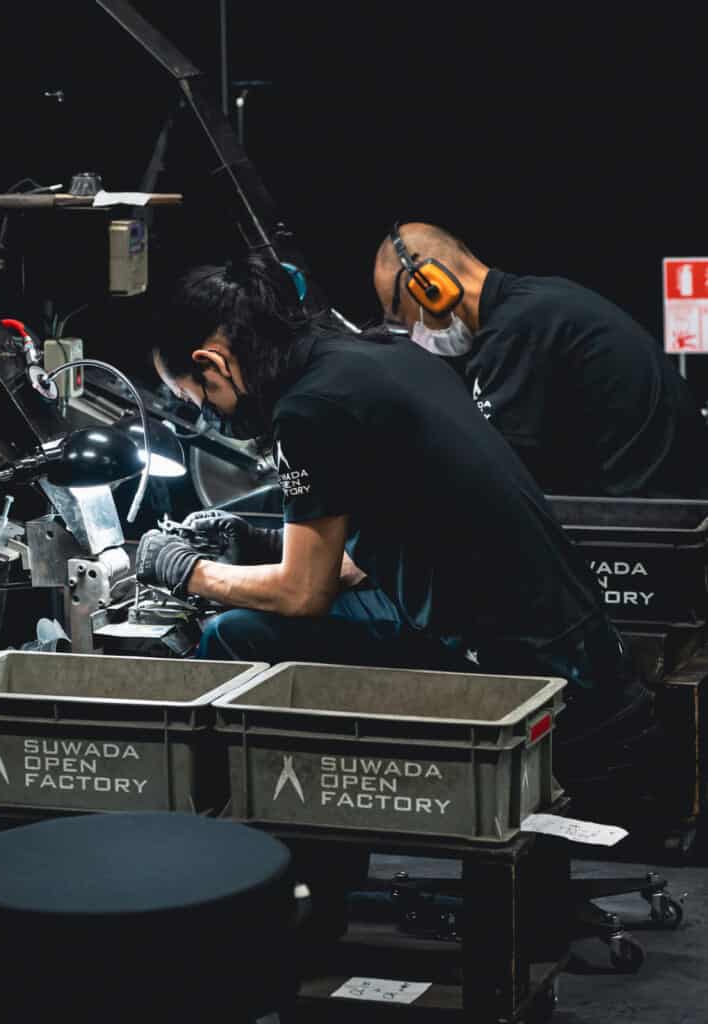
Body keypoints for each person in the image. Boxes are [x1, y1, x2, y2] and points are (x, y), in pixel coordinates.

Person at [135, 253, 658, 795]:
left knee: (231, 637)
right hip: (578, 646)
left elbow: (301, 593)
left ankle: (276, 832)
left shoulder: (308, 411)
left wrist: (186, 570)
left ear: (213, 363)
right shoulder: (382, 357)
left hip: (521, 670)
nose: (207, 414)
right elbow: (398, 538)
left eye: (195, 398)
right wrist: (261, 542)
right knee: (253, 625)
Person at [373, 222, 708, 498]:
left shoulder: (518, 331)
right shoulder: (534, 306)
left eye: (403, 317)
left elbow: (497, 476)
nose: (413, 333)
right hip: (644, 507)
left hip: (645, 527)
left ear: (431, 288)